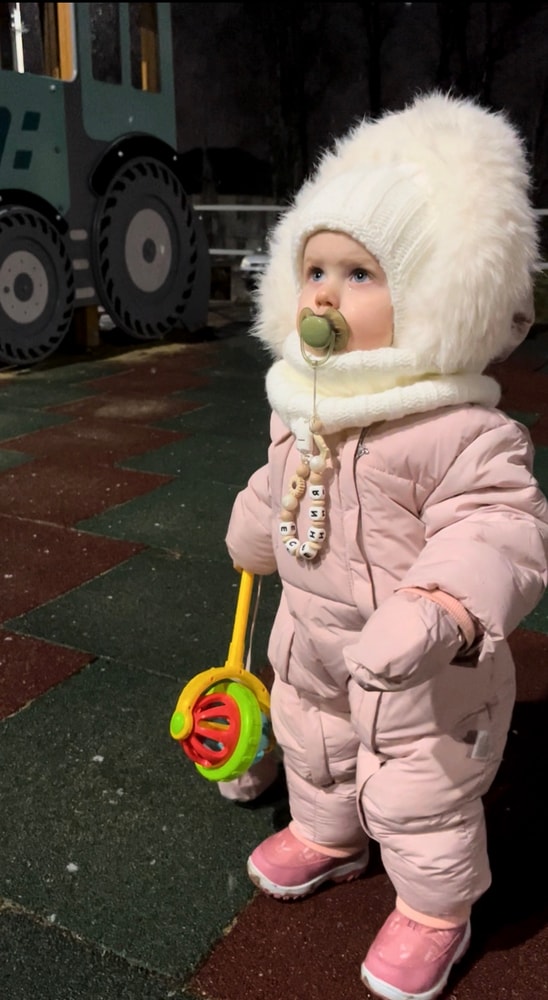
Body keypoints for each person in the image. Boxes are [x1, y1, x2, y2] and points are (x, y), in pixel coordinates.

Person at [223, 91, 548, 1000]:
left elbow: (501, 528)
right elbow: (286, 482)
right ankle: (329, 835)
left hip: (425, 669)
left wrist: (442, 606)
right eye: (315, 269)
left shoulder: (457, 428)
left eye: (360, 274)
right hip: (314, 638)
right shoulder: (304, 402)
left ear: (431, 301)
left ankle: (437, 908)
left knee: (422, 788)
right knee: (312, 737)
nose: (325, 293)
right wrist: (255, 519)